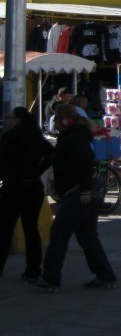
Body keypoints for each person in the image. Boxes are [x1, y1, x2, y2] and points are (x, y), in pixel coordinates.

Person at [33, 104, 117, 291]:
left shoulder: (74, 139)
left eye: (57, 117)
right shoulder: (74, 136)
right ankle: (105, 275)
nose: (55, 121)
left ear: (64, 120)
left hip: (79, 193)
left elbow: (85, 165)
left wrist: (85, 191)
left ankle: (51, 278)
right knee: (87, 236)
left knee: (59, 233)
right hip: (80, 191)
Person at [0, 108, 53, 283]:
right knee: (31, 229)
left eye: (10, 117)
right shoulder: (36, 137)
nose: (7, 120)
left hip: (13, 187)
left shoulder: (10, 138)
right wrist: (37, 171)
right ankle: (33, 269)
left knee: (5, 229)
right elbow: (50, 154)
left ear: (18, 120)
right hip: (32, 187)